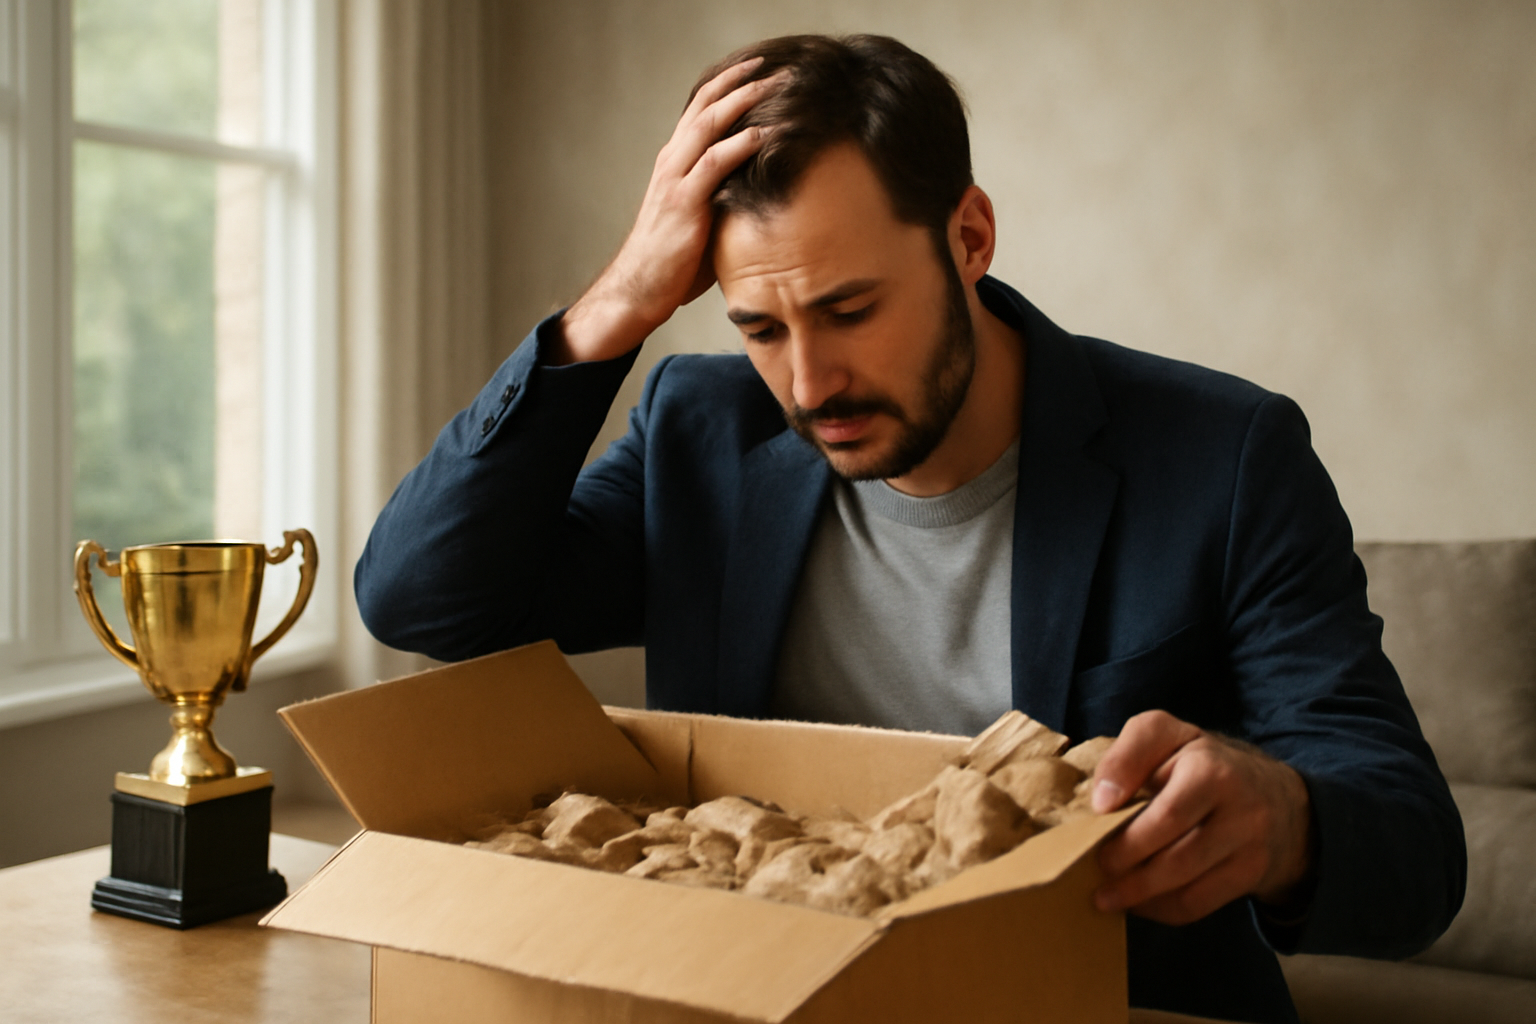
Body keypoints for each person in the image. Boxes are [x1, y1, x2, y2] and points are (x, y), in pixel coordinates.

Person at [355, 34, 1464, 1024]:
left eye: (849, 309)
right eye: (759, 326)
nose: (807, 379)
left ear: (969, 238)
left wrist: (1284, 815)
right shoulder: (702, 428)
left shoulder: (1224, 455)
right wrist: (616, 306)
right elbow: (424, 600)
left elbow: (1416, 848)